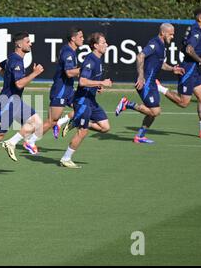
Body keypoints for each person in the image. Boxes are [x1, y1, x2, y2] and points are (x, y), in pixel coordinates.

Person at [0, 31, 45, 162]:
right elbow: (19, 84)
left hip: (14, 101)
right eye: (27, 41)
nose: (30, 44)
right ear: (19, 45)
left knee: (37, 123)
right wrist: (35, 73)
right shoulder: (17, 61)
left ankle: (12, 142)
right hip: (6, 102)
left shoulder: (12, 57)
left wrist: (7, 79)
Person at [115, 24, 185, 143]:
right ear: (163, 33)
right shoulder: (154, 43)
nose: (172, 36)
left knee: (153, 112)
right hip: (145, 82)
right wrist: (141, 77)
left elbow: (161, 64)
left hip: (152, 83)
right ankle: (127, 104)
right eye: (171, 34)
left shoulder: (162, 46)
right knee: (155, 111)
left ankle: (140, 136)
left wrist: (173, 69)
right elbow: (140, 56)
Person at [154, 8, 201, 138]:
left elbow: (187, 47)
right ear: (200, 19)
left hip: (194, 68)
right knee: (183, 103)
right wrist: (200, 60)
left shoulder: (194, 29)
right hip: (188, 68)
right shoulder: (196, 32)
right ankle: (159, 88)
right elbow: (189, 49)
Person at [60, 32, 112, 168]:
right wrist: (101, 82)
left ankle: (75, 121)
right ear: (95, 46)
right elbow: (82, 81)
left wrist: (98, 86)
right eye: (103, 43)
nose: (106, 45)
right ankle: (66, 158)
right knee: (83, 132)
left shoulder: (98, 59)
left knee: (105, 128)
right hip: (82, 101)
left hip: (91, 100)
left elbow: (90, 80)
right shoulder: (90, 60)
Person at [40, 27, 83, 140]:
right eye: (80, 37)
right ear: (73, 38)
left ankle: (60, 123)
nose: (83, 39)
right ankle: (29, 141)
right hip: (61, 90)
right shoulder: (68, 52)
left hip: (68, 89)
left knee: (83, 107)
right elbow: (69, 73)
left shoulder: (71, 51)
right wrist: (84, 70)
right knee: (51, 121)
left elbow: (73, 71)